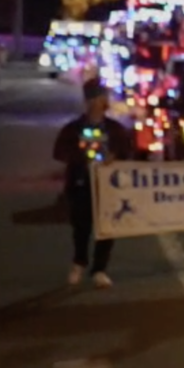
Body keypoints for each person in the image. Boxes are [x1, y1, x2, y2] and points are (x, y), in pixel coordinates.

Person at [53, 81, 137, 287]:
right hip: (81, 184)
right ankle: (79, 263)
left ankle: (99, 269)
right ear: (91, 101)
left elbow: (127, 152)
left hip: (107, 187)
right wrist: (82, 158)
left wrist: (114, 156)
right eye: (100, 98)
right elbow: (59, 152)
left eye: (104, 97)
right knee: (81, 227)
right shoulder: (73, 129)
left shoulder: (115, 129)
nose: (104, 102)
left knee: (106, 226)